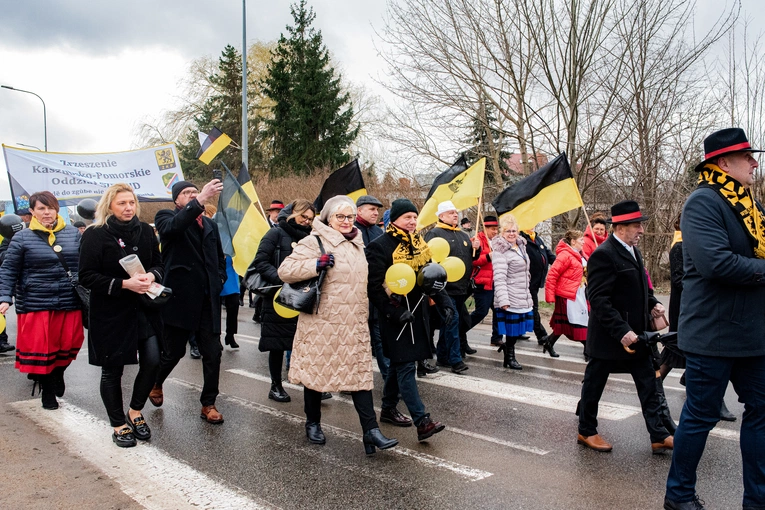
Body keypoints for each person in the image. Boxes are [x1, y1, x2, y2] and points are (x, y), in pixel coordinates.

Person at [665, 128, 765, 510]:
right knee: (701, 415)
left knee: (761, 411)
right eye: (747, 157)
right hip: (714, 333)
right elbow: (716, 263)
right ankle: (678, 495)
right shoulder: (703, 202)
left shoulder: (748, 205)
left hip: (752, 333)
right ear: (724, 163)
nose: (755, 162)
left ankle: (757, 500)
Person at [278, 195, 397, 455]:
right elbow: (285, 271)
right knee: (316, 376)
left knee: (359, 378)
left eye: (350, 217)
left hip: (354, 323)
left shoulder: (358, 244)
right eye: (340, 216)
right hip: (322, 323)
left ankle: (371, 432)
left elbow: (365, 281)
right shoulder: (314, 241)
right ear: (329, 218)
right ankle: (313, 423)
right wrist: (315, 265)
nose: (346, 221)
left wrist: (391, 292)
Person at [577, 200, 672, 454]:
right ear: (620, 227)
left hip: (637, 336)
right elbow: (598, 300)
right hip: (611, 337)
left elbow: (639, 287)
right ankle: (586, 431)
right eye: (637, 225)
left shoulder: (633, 250)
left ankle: (658, 435)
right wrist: (621, 331)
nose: (641, 230)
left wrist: (652, 303)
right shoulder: (603, 254)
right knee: (594, 386)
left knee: (649, 385)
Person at [78, 184, 164, 448]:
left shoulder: (146, 231)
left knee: (152, 360)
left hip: (143, 309)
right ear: (109, 206)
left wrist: (152, 276)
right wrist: (124, 284)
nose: (128, 208)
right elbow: (86, 276)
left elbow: (159, 264)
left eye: (131, 203)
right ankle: (118, 424)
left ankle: (135, 411)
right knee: (112, 370)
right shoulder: (95, 234)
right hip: (111, 312)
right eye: (122, 203)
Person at [367, 198, 452, 439]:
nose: (413, 221)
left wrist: (445, 302)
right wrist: (393, 312)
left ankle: (387, 408)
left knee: (399, 363)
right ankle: (422, 421)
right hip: (395, 316)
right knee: (406, 366)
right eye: (407, 217)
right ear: (394, 219)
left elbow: (432, 275)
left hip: (418, 313)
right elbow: (373, 288)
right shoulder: (380, 246)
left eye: (415, 217)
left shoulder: (420, 243)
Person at [148, 179, 227, 424]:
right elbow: (173, 228)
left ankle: (208, 403)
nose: (193, 195)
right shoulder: (165, 217)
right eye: (187, 193)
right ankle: (157, 382)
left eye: (195, 191)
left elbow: (218, 257)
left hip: (207, 300)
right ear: (176, 200)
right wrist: (200, 200)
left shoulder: (210, 225)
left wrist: (219, 279)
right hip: (180, 300)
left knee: (213, 353)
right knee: (173, 352)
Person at [0, 191, 84, 410]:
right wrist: (4, 297)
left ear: (56, 210)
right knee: (43, 350)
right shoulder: (22, 238)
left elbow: (86, 264)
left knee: (70, 345)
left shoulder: (73, 233)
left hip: (69, 300)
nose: (47, 213)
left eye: (50, 208)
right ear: (32, 212)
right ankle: (48, 390)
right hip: (36, 303)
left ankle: (58, 374)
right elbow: (8, 269)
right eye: (41, 208)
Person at [252, 199, 316, 403]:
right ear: (291, 213)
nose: (306, 221)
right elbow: (261, 262)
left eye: (310, 219)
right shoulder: (276, 233)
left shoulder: (313, 237)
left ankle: (310, 384)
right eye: (303, 217)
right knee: (277, 344)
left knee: (306, 343)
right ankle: (275, 385)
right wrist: (283, 278)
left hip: (305, 296)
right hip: (279, 296)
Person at [425, 200, 480, 373]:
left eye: (455, 212)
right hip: (443, 289)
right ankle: (456, 360)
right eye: (450, 213)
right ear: (441, 216)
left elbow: (469, 259)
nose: (455, 215)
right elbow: (429, 260)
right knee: (453, 320)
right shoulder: (434, 233)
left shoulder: (463, 235)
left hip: (461, 288)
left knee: (449, 322)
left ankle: (442, 356)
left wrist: (476, 249)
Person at [354, 194, 391, 380]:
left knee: (380, 339)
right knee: (355, 342)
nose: (376, 213)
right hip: (355, 297)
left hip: (376, 296)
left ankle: (389, 380)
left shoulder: (379, 233)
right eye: (371, 209)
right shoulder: (350, 231)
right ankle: (350, 379)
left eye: (377, 210)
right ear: (359, 210)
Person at [492, 214, 533, 370]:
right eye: (508, 231)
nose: (511, 234)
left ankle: (508, 351)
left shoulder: (521, 246)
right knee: (512, 330)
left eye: (514, 231)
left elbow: (525, 271)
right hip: (509, 295)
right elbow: (499, 277)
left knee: (517, 330)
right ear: (502, 233)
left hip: (523, 293)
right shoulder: (500, 251)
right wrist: (503, 300)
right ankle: (510, 356)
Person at [541, 230, 588, 358]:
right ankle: (587, 348)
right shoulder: (565, 255)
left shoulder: (580, 255)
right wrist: (549, 296)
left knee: (570, 322)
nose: (583, 242)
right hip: (566, 295)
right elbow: (552, 275)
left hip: (579, 293)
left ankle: (549, 343)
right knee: (575, 321)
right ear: (573, 241)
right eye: (581, 240)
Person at [468, 215, 503, 346]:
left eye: (496, 229)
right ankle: (461, 330)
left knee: (499, 310)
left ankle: (497, 337)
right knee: (481, 312)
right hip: (482, 283)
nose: (495, 232)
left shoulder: (499, 242)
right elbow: (473, 260)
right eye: (493, 229)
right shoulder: (476, 240)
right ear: (485, 228)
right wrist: (488, 257)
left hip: (496, 282)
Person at [520, 227, 555, 344]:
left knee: (525, 308)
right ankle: (541, 335)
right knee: (533, 309)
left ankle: (518, 331)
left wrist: (561, 263)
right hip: (526, 281)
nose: (531, 225)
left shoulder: (537, 238)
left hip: (536, 281)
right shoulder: (521, 238)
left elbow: (548, 255)